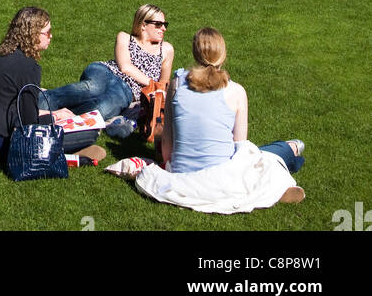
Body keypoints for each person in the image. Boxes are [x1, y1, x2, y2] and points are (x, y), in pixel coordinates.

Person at [126, 28, 305, 211]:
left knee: (270, 154)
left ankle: (292, 152)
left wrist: (169, 163)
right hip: (220, 177)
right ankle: (292, 151)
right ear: (223, 55)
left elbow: (167, 141)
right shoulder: (236, 91)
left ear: (195, 53)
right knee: (267, 157)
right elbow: (240, 147)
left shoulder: (176, 85)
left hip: (181, 172)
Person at [0, 7, 106, 168]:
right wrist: (55, 116)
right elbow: (28, 122)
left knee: (51, 105)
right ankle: (63, 154)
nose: (51, 36)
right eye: (48, 32)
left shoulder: (2, 53)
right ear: (33, 34)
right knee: (91, 133)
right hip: (6, 143)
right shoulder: (29, 67)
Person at [42, 4, 174, 127]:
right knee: (90, 89)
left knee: (102, 108)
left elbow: (163, 83)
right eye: (158, 24)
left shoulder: (167, 49)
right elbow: (125, 67)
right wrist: (152, 83)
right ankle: (33, 103)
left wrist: (157, 90)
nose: (163, 28)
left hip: (128, 91)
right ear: (143, 24)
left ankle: (60, 120)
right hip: (106, 72)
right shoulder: (125, 37)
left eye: (165, 24)